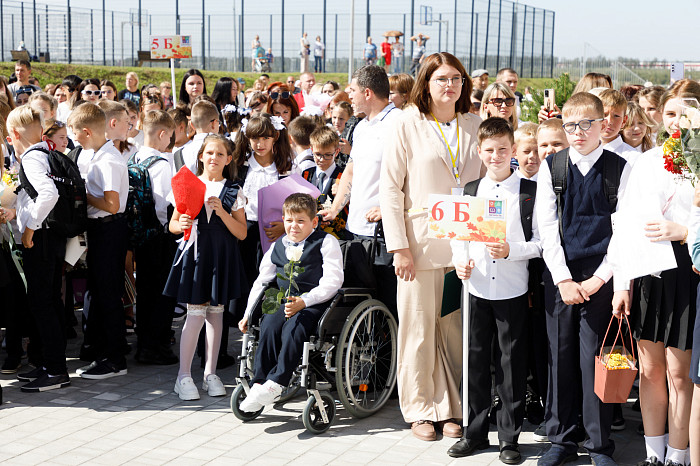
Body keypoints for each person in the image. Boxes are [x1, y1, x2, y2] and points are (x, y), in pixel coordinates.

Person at [379, 53, 482, 442]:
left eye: (455, 78)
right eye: (441, 78)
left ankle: (452, 407)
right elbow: (390, 189)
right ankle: (421, 407)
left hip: (466, 244)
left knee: (454, 328)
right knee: (418, 329)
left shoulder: (473, 125)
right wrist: (398, 247)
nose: (449, 85)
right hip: (419, 244)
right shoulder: (407, 123)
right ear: (426, 83)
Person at [535, 92, 631, 466]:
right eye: (570, 125)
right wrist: (562, 279)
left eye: (586, 124)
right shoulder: (553, 167)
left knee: (596, 358)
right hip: (561, 277)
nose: (577, 132)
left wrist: (600, 279)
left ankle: (598, 443)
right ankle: (561, 438)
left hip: (600, 276)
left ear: (601, 123)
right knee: (559, 356)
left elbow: (623, 232)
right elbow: (545, 227)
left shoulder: (618, 169)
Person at [612, 79, 700, 466]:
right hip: (648, 271)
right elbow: (625, 225)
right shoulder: (643, 162)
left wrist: (685, 233)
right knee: (650, 372)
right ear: (658, 117)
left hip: (690, 273)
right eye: (670, 113)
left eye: (686, 113)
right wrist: (621, 283)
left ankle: (679, 456)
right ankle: (653, 453)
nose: (677, 120)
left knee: (681, 375)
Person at [448, 118, 541, 464]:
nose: (497, 155)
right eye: (490, 150)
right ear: (479, 152)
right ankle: (473, 432)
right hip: (475, 290)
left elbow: (541, 244)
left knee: (511, 366)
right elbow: (459, 237)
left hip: (512, 290)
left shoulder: (528, 193)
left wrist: (511, 250)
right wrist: (460, 262)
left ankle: (509, 438)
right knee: (473, 362)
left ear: (513, 150)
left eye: (503, 149)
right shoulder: (471, 191)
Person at [238, 193, 343, 411]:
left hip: (315, 302)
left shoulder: (326, 242)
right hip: (284, 300)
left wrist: (305, 301)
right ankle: (259, 382)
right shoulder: (278, 245)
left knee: (293, 329)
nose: (293, 226)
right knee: (269, 324)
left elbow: (333, 281)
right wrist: (248, 313)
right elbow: (262, 281)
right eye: (289, 220)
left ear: (314, 222)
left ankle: (278, 381)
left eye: (300, 221)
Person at [166, 134, 247, 400]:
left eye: (220, 154)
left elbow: (242, 232)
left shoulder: (234, 189)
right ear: (201, 155)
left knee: (216, 314)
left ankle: (210, 373)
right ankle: (184, 375)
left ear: (229, 159)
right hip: (197, 257)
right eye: (210, 153)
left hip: (221, 256)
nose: (214, 158)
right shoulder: (189, 184)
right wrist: (183, 225)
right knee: (195, 314)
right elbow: (173, 224)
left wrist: (223, 213)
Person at [8, 106, 69, 392]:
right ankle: (49, 365)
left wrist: (30, 227)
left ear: (15, 134)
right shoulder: (45, 151)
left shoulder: (32, 157)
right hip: (51, 238)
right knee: (50, 303)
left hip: (41, 238)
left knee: (42, 304)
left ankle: (56, 369)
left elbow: (49, 194)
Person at [68, 103, 130, 380]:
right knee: (100, 292)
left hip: (109, 229)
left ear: (85, 131)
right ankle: (104, 352)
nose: (73, 138)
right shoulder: (96, 154)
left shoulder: (108, 160)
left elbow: (112, 205)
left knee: (108, 296)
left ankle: (115, 359)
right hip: (100, 230)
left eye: (74, 132)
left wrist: (80, 194)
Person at [233, 114, 294, 318]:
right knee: (245, 278)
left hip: (274, 233)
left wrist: (284, 226)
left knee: (270, 282)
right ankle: (244, 324)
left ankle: (265, 323)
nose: (260, 144)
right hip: (244, 231)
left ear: (275, 137)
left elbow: (298, 202)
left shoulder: (286, 166)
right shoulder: (240, 166)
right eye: (255, 138)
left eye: (265, 138)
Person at [130, 110, 179, 365]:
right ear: (162, 134)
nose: (169, 141)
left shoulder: (134, 157)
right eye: (169, 136)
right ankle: (156, 345)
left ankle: (143, 342)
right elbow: (165, 206)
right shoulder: (161, 165)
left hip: (140, 236)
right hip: (160, 237)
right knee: (162, 294)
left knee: (145, 291)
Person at [301, 126, 348, 239]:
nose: (321, 159)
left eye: (327, 155)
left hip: (337, 234)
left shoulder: (344, 176)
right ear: (311, 150)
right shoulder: (306, 174)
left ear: (336, 152)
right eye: (317, 154)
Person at [174, 100, 220, 173]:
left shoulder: (178, 154)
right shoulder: (222, 148)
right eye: (218, 122)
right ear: (213, 124)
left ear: (192, 125)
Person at [598, 89, 638, 165]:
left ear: (624, 121)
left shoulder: (632, 157)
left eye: (616, 116)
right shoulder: (584, 151)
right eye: (604, 115)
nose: (609, 121)